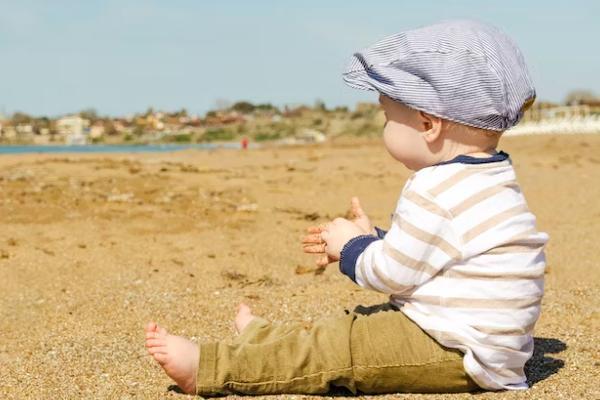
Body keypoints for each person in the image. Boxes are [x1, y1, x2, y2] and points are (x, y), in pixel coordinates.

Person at [144, 19, 548, 395]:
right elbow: (437, 255)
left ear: (428, 124)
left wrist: (351, 249)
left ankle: (212, 367)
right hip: (489, 346)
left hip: (456, 350)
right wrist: (376, 239)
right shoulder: (492, 177)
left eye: (389, 116)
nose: (384, 126)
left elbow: (391, 274)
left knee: (341, 347)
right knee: (354, 325)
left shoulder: (433, 188)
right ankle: (265, 339)